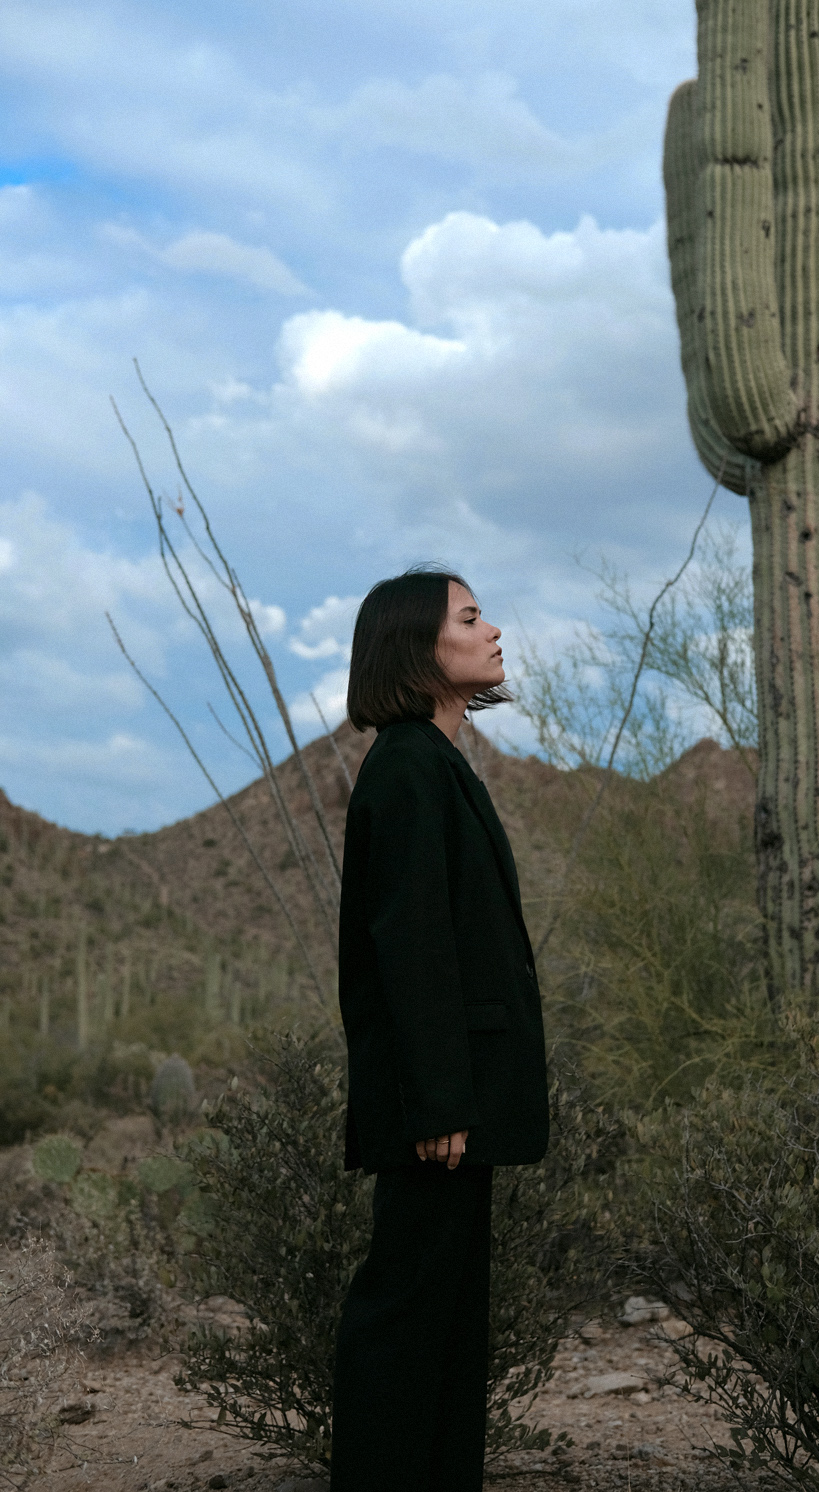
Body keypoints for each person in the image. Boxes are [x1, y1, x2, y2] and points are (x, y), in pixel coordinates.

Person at [330, 568, 549, 1492]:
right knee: (408, 1317)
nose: (493, 629)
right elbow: (409, 947)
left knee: (450, 1322)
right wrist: (440, 1099)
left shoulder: (430, 762)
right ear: (422, 651)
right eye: (470, 617)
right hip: (440, 1111)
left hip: (454, 1103)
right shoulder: (413, 767)